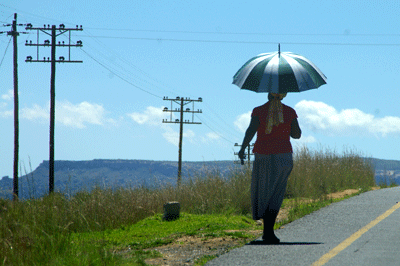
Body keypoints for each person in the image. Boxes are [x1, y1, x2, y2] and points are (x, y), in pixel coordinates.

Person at [238, 92, 301, 244]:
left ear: (268, 95)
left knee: (263, 192)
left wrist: (242, 149)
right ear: (283, 96)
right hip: (283, 157)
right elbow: (297, 135)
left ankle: (267, 232)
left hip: (263, 156)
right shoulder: (289, 112)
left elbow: (250, 131)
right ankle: (268, 232)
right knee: (276, 194)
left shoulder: (259, 111)